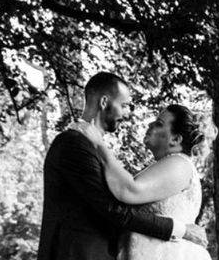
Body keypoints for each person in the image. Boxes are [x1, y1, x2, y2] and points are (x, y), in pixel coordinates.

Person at [37, 72, 207, 260]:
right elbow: (114, 210)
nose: (127, 113)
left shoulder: (93, 147)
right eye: (124, 105)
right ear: (104, 102)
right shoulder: (74, 144)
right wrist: (179, 229)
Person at [74, 103, 213, 260]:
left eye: (159, 124)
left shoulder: (179, 163)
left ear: (175, 139)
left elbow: (128, 191)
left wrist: (99, 145)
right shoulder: (169, 166)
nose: (149, 125)